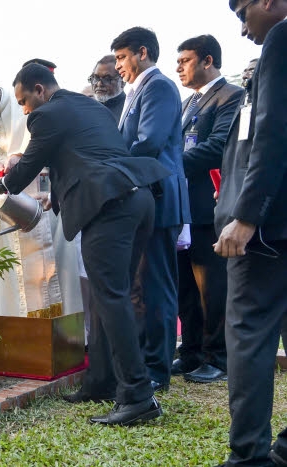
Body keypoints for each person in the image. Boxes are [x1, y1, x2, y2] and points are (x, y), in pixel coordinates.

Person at [0, 63, 171, 425]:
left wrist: (0, 185)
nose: (24, 110)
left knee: (112, 298)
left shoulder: (45, 115)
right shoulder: (87, 106)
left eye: (24, 101)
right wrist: (57, 197)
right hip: (138, 200)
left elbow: (27, 168)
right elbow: (85, 156)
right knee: (108, 296)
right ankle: (101, 381)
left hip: (110, 209)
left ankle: (137, 396)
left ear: (39, 90)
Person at [214, 2, 287, 465]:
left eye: (243, 13)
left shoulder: (281, 36)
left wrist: (245, 215)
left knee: (247, 333)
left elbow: (272, 131)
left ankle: (249, 458)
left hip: (268, 227)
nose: (242, 29)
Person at [0, 70, 81, 318]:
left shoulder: (23, 104)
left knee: (55, 263)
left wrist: (19, 160)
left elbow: (44, 144)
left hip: (40, 194)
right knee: (9, 268)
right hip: (3, 201)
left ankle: (64, 330)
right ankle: (15, 325)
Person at [113, 26, 191, 392]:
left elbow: (149, 142)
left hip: (158, 197)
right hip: (142, 199)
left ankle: (159, 367)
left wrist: (109, 167)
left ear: (141, 53)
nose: (117, 66)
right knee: (142, 285)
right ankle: (147, 360)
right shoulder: (137, 90)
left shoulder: (158, 86)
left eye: (121, 57)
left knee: (157, 286)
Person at [172, 34, 244, 384]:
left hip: (210, 206)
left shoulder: (231, 96)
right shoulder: (189, 103)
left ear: (208, 61)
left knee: (212, 287)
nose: (178, 67)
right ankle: (191, 352)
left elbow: (219, 147)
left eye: (185, 60)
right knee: (186, 285)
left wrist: (170, 165)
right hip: (185, 209)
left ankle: (218, 357)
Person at [88, 54, 126, 121]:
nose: (99, 84)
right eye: (95, 78)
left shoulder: (130, 110)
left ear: (122, 82)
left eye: (107, 79)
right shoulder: (86, 108)